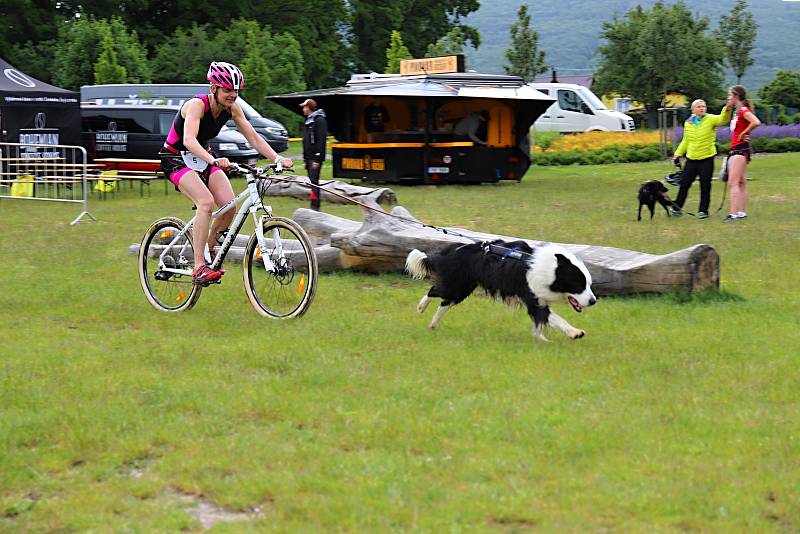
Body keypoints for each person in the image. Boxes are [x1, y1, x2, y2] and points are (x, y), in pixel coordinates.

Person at [160, 61, 293, 285]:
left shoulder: (233, 108)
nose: (233, 95)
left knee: (229, 206)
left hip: (203, 157)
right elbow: (189, 140)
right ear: (214, 88)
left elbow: (253, 137)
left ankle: (210, 253)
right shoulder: (197, 105)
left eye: (236, 90)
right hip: (175, 156)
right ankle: (199, 265)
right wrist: (213, 160)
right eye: (228, 90)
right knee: (205, 202)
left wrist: (276, 158)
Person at [671, 98, 732, 219]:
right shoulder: (688, 122)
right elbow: (686, 140)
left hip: (707, 158)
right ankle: (677, 208)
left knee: (705, 186)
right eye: (699, 107)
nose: (702, 108)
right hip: (691, 159)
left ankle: (703, 211)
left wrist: (727, 109)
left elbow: (723, 119)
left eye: (703, 106)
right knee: (684, 184)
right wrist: (678, 153)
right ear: (693, 109)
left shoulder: (710, 119)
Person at [723, 85, 761, 223]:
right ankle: (741, 213)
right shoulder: (736, 112)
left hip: (739, 149)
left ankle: (733, 214)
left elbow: (756, 122)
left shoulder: (743, 110)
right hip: (739, 148)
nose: (728, 98)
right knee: (741, 182)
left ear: (736, 96)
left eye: (729, 96)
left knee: (733, 182)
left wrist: (744, 132)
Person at [300, 98, 327, 211]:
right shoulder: (309, 121)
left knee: (314, 182)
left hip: (315, 158)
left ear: (309, 107)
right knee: (312, 182)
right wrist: (306, 160)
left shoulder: (319, 120)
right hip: (309, 158)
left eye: (304, 107)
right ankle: (313, 204)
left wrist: (317, 159)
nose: (303, 109)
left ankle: (315, 206)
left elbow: (321, 140)